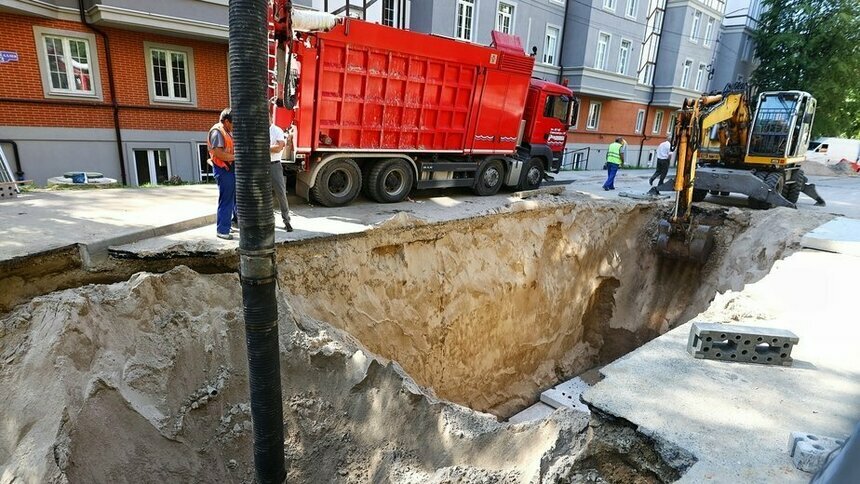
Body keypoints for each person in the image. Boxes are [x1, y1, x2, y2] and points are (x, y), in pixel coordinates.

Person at [208, 108, 236, 240]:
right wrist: (237, 157)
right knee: (226, 199)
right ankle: (222, 230)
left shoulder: (227, 131)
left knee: (234, 198)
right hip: (223, 169)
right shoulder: (217, 132)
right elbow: (218, 153)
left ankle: (231, 223)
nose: (234, 127)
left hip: (229, 168)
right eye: (233, 123)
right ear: (226, 121)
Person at [269, 113, 293, 232]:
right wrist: (270, 147)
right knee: (264, 195)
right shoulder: (259, 130)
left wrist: (262, 147)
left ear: (270, 117)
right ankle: (270, 221)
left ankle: (286, 221)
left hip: (274, 165)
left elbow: (279, 147)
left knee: (281, 193)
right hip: (262, 166)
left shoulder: (277, 130)